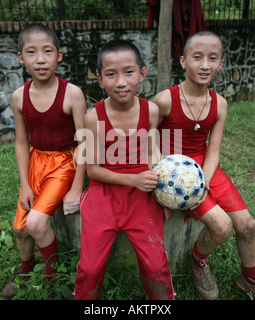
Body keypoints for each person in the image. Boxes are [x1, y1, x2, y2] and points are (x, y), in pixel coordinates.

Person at [153, 31, 255, 300]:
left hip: (204, 168)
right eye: (197, 57)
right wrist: (165, 178)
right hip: (176, 173)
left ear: (221, 64)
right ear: (183, 61)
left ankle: (250, 277)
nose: (205, 65)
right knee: (222, 227)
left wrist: (203, 181)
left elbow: (214, 150)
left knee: (247, 226)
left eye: (213, 58)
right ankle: (197, 260)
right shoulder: (164, 100)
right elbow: (147, 139)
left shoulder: (220, 104)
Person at [74, 40, 174, 300]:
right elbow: (92, 170)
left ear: (142, 73)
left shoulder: (151, 111)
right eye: (111, 74)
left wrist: (164, 193)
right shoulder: (92, 118)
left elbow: (153, 152)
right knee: (91, 268)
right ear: (99, 79)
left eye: (129, 72)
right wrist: (134, 180)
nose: (120, 82)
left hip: (141, 194)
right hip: (104, 193)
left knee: (155, 266)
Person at [2, 23, 86, 298]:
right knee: (20, 230)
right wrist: (25, 185)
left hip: (65, 163)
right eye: (31, 52)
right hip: (36, 163)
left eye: (47, 51)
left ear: (59, 55)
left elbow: (84, 140)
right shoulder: (18, 97)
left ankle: (53, 278)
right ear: (20, 58)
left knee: (36, 224)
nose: (40, 59)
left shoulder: (72, 93)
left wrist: (76, 186)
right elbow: (22, 142)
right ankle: (27, 267)